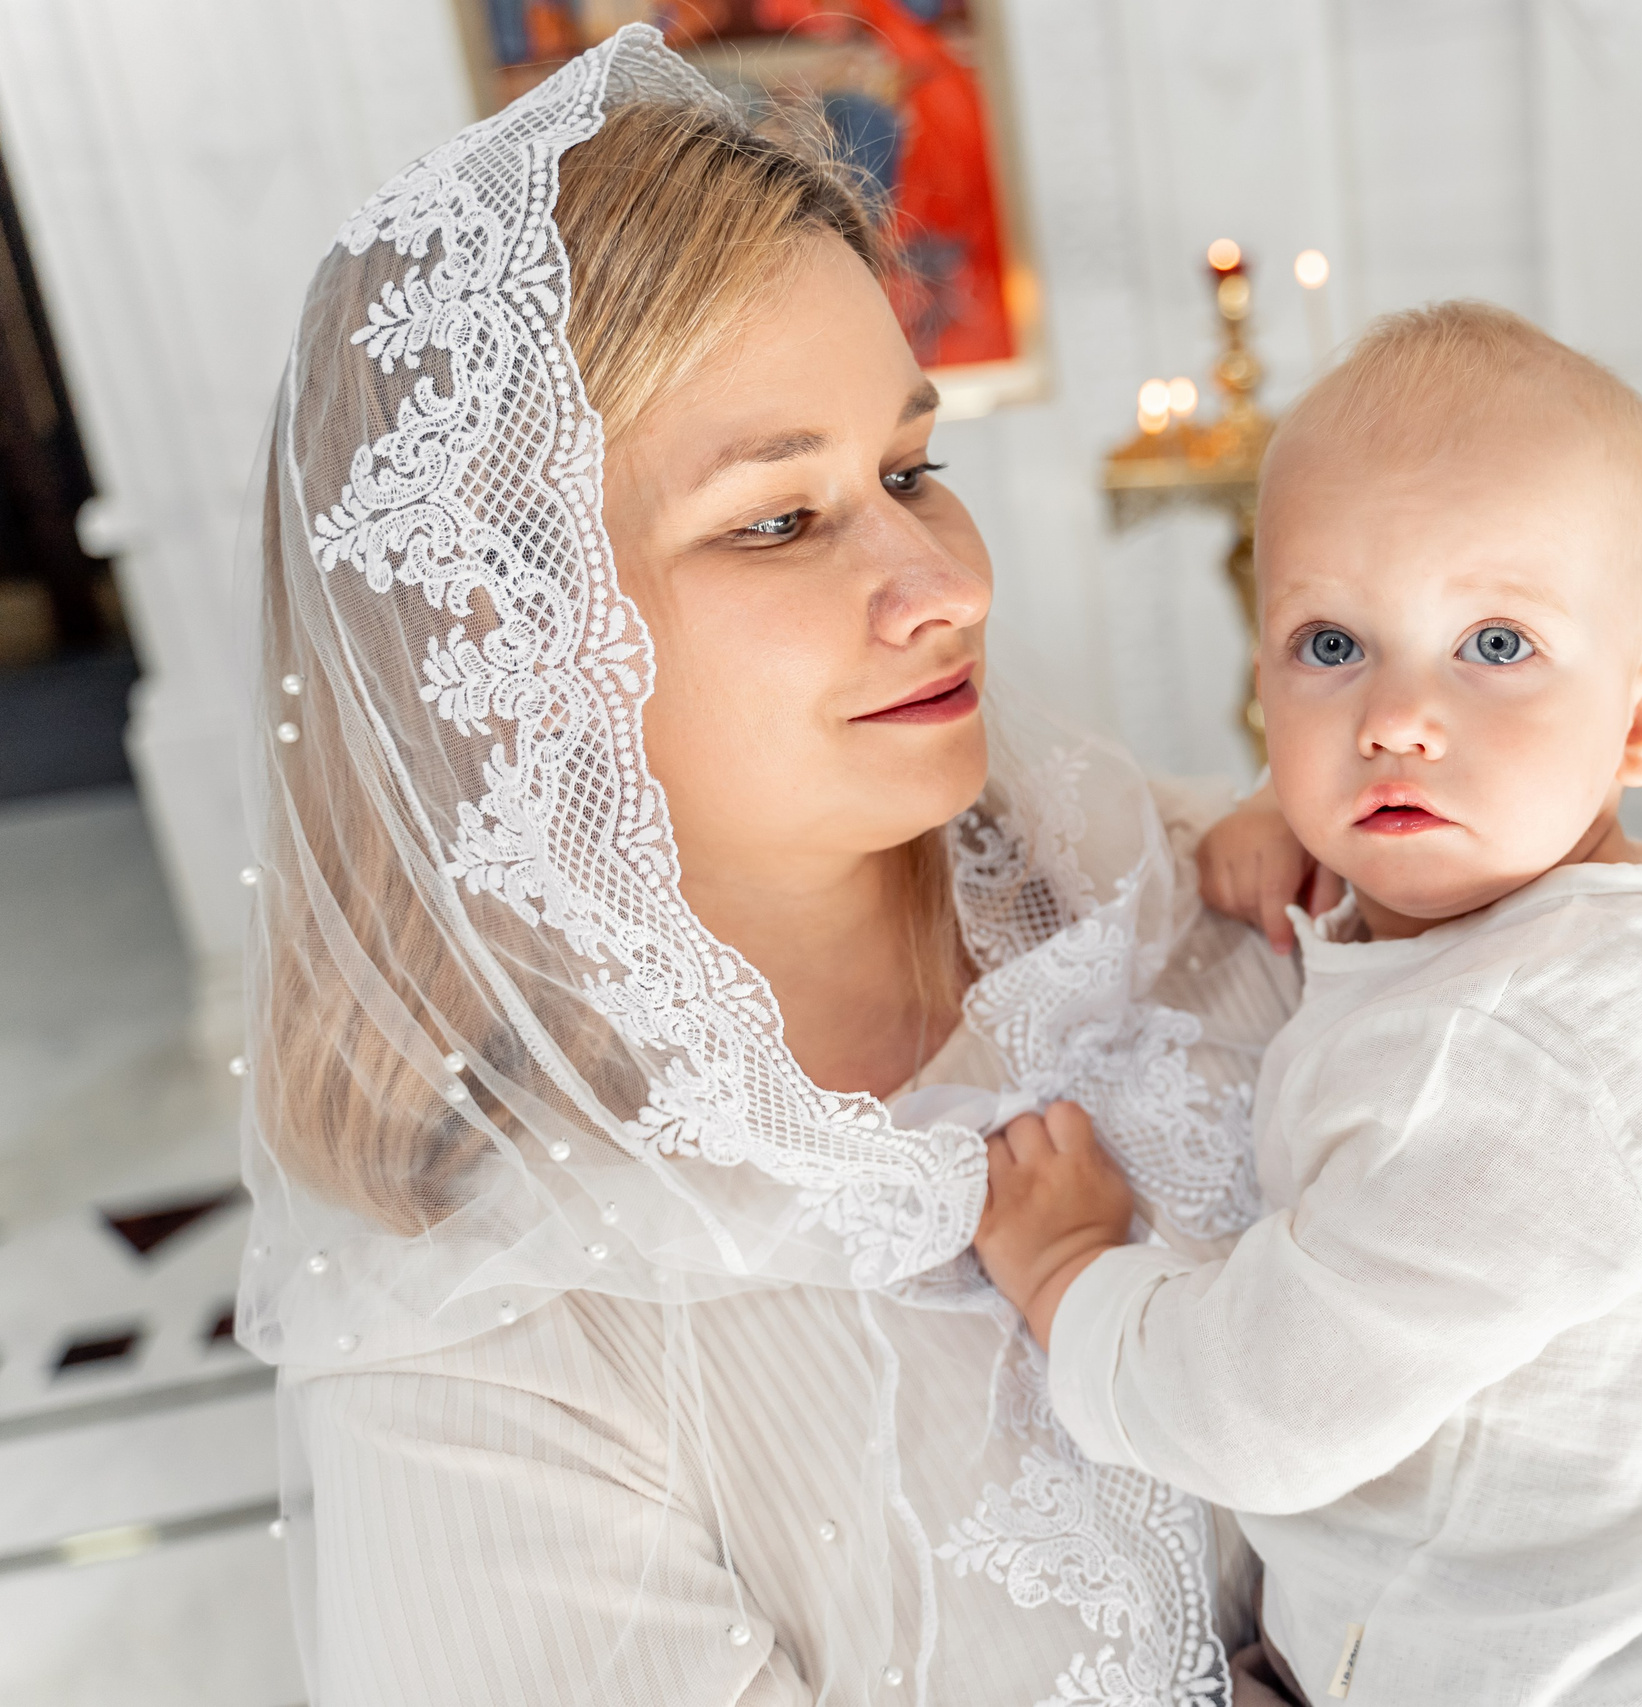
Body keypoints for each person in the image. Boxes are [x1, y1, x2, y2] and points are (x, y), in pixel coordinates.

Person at [237, 28, 1298, 1705]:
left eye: (908, 470)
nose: (944, 584)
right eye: (777, 521)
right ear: (502, 637)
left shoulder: (1184, 898)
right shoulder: (494, 1355)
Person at [973, 303, 1642, 1705]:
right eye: (1331, 646)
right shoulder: (1514, 917)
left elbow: (1264, 1415)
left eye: (1496, 646)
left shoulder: (1517, 1069)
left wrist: (1073, 1271)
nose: (1397, 721)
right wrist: (1299, 817)